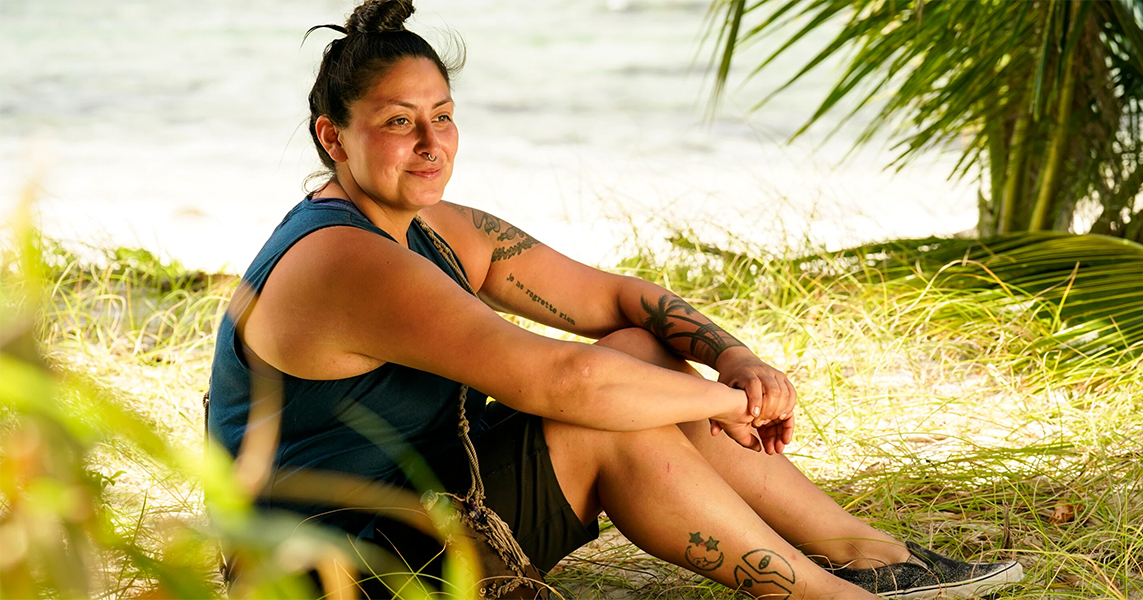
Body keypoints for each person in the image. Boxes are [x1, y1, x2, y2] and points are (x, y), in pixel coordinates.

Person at [207, 1, 1024, 597]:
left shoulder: (435, 227)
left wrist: (733, 356)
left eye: (444, 116)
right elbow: (559, 385)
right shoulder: (342, 260)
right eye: (397, 121)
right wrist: (722, 401)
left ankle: (870, 556)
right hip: (330, 574)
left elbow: (621, 302)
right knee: (601, 421)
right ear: (332, 137)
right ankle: (824, 594)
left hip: (413, 503)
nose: (431, 143)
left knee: (639, 354)